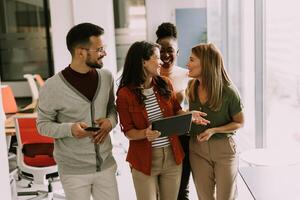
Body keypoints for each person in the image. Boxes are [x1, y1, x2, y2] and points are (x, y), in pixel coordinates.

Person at [116, 41, 209, 200]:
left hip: (172, 158)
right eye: (157, 58)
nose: (161, 62)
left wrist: (189, 114)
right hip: (144, 161)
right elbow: (129, 132)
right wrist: (145, 133)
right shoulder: (125, 94)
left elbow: (176, 110)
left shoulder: (165, 83)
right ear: (143, 62)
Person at [37, 23, 119, 200]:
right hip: (73, 171)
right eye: (99, 49)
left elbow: (112, 108)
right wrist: (70, 129)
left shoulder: (106, 77)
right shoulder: (52, 86)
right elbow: (42, 125)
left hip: (106, 166)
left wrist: (110, 122)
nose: (104, 53)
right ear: (81, 52)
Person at [186, 43, 244, 200]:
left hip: (224, 150)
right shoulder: (192, 86)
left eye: (191, 60)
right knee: (205, 197)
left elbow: (239, 122)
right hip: (197, 149)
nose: (187, 64)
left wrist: (214, 130)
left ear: (205, 63)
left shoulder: (229, 91)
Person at [156, 22, 191, 200]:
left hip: (181, 139)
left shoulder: (187, 75)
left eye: (170, 50)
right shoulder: (149, 75)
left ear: (177, 52)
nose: (165, 55)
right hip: (156, 139)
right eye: (161, 50)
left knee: (181, 191)